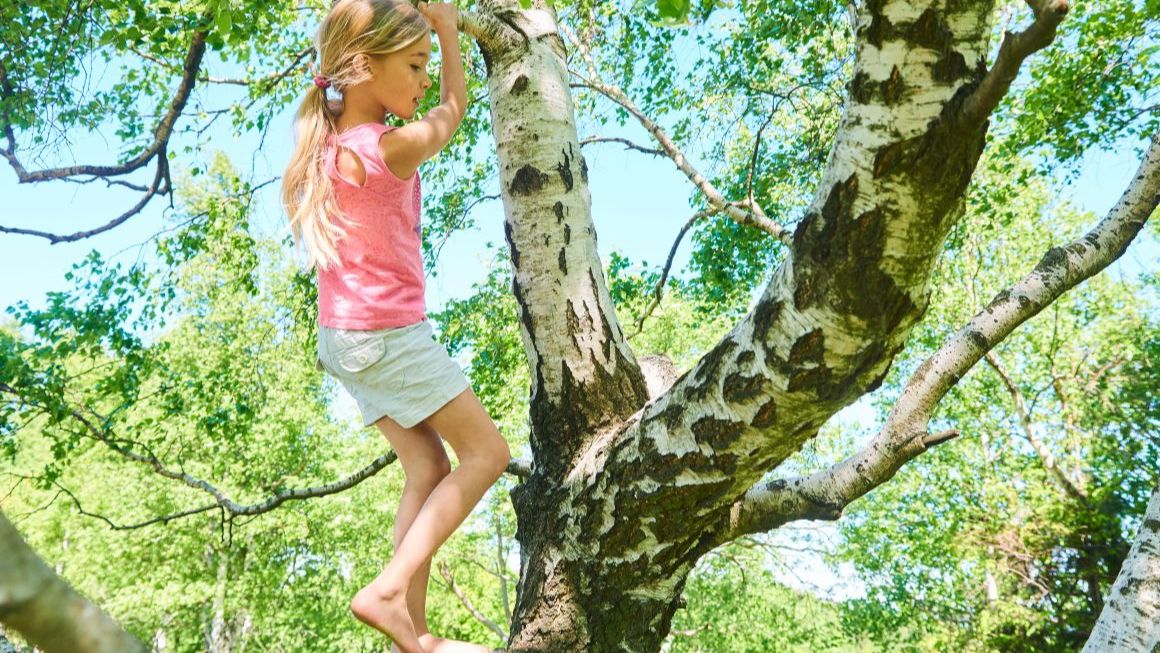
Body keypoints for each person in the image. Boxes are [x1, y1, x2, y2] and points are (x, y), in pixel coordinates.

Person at [281, 1, 510, 651]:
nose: (421, 81)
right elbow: (453, 111)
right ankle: (387, 590)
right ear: (362, 66)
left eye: (426, 68)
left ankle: (414, 634)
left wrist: (428, 38)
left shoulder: (335, 145)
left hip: (345, 339)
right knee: (488, 453)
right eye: (413, 67)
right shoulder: (387, 147)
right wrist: (446, 29)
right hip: (385, 335)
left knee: (427, 465)